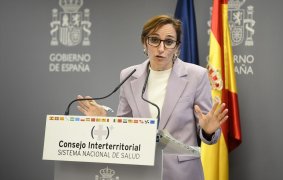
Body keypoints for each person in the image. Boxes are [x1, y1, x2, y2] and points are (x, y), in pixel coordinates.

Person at [77, 15, 228, 180]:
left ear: (177, 47)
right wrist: (103, 121)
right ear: (144, 42)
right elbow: (125, 129)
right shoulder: (129, 76)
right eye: (154, 40)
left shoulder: (196, 76)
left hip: (183, 173)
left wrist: (207, 131)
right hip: (141, 172)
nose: (161, 48)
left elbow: (210, 136)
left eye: (169, 42)